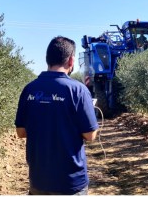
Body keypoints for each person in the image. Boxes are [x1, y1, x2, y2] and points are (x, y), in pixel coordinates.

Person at [15, 37, 99, 195]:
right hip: (71, 184)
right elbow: (90, 135)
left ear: (47, 59)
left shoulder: (29, 89)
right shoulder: (78, 91)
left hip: (39, 182)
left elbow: (21, 133)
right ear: (71, 60)